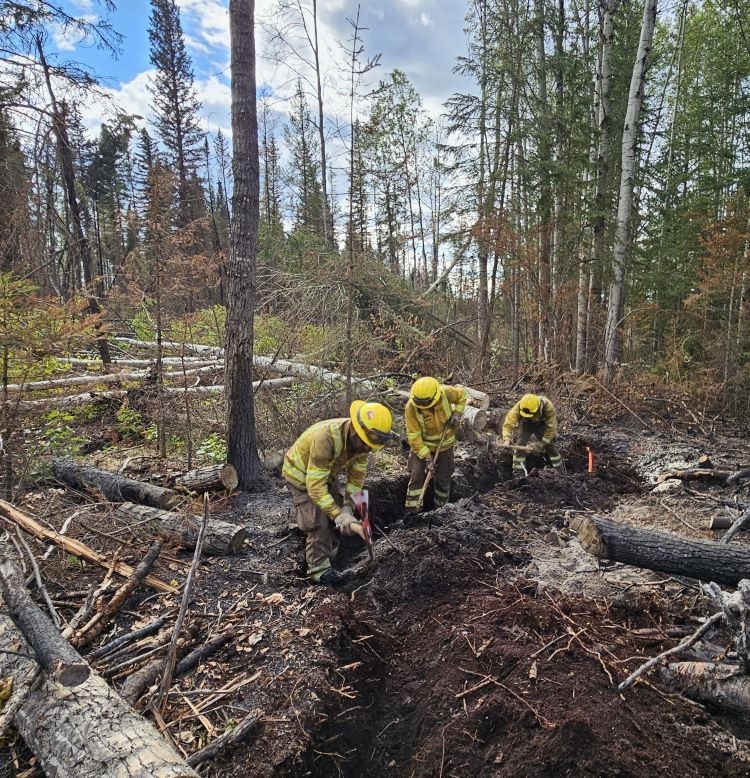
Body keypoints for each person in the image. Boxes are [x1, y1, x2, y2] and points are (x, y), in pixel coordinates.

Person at [282, 400, 393, 586]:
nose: (368, 449)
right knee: (317, 521)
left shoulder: (363, 445)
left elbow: (356, 481)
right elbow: (315, 487)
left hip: (326, 474)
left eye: (371, 446)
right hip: (300, 476)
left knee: (335, 515)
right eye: (366, 444)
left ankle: (330, 558)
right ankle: (318, 571)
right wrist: (338, 515)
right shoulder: (326, 438)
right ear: (354, 431)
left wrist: (348, 509)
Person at [404, 376, 466, 515]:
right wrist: (427, 458)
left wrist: (457, 413)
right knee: (416, 477)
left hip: (444, 445)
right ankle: (411, 513)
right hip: (421, 447)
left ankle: (440, 511)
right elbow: (414, 437)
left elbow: (462, 394)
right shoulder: (411, 408)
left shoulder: (445, 392)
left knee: (443, 478)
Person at [502, 393, 564, 478]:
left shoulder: (547, 406)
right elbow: (509, 423)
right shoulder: (520, 406)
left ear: (538, 407)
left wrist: (541, 444)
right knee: (520, 445)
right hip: (525, 425)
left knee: (550, 445)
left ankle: (560, 471)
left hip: (541, 425)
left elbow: (551, 429)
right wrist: (506, 439)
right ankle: (519, 474)